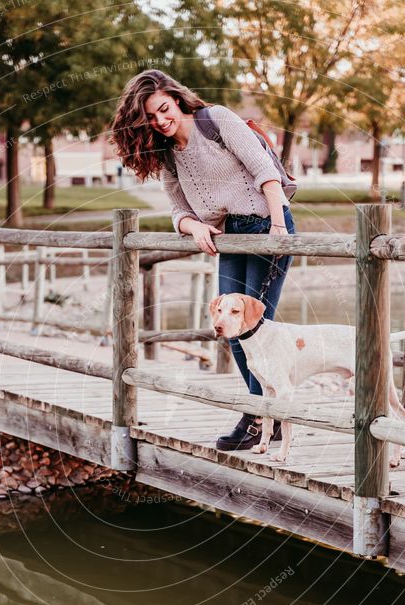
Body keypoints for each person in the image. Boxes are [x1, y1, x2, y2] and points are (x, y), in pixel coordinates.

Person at [110, 69, 296, 451]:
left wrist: (278, 225)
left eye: (164, 109)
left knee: (254, 328)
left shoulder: (217, 121)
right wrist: (193, 227)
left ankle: (258, 417)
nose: (161, 121)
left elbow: (264, 172)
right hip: (226, 235)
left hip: (266, 225)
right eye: (151, 118)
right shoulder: (166, 155)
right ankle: (266, 415)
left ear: (176, 99)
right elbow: (177, 209)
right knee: (227, 326)